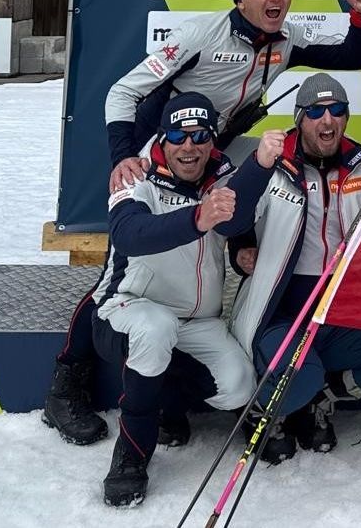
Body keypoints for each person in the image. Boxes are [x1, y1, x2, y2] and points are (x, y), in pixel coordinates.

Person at [41, 0, 361, 447]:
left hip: (214, 149)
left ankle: (243, 260)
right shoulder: (200, 34)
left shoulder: (286, 39)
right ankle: (67, 381)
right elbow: (121, 93)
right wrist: (124, 155)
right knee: (123, 270)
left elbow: (350, 56)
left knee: (269, 172)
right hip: (162, 147)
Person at [227, 73, 361, 465]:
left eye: (337, 110)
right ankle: (265, 408)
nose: (328, 119)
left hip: (340, 314)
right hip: (282, 313)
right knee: (297, 376)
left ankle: (323, 394)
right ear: (300, 118)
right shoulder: (273, 165)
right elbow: (232, 221)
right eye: (316, 112)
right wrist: (241, 244)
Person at [90, 93, 259, 506]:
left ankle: (168, 404)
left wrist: (242, 249)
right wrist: (198, 218)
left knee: (239, 386)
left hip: (198, 320)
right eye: (179, 136)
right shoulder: (135, 174)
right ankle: (131, 456)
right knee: (155, 329)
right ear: (162, 139)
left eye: (200, 136)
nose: (189, 147)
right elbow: (129, 234)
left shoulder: (224, 176)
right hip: (127, 309)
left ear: (212, 140)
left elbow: (239, 224)